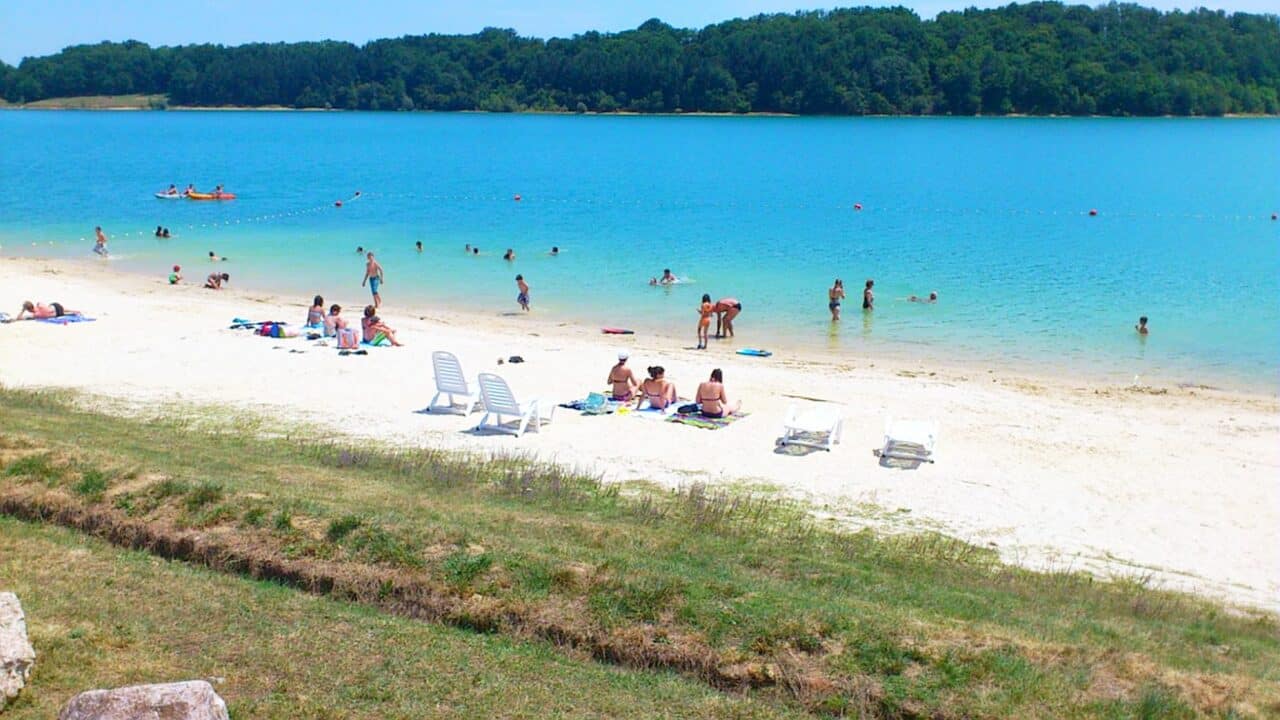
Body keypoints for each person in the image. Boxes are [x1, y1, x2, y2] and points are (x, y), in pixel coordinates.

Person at [16, 301, 81, 320]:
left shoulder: (35, 315)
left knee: (60, 311)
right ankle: (73, 310)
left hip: (58, 314)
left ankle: (72, 311)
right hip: (55, 307)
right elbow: (48, 309)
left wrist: (22, 310)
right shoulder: (39, 305)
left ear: (28, 310)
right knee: (54, 308)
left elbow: (19, 318)